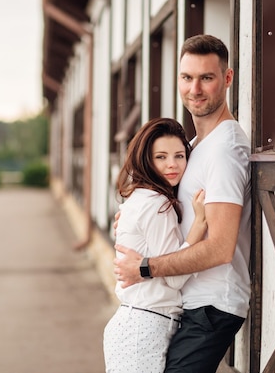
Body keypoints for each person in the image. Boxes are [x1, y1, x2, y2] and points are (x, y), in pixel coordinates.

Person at [114, 34, 251, 373]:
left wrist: (145, 267)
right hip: (185, 301)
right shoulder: (194, 145)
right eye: (187, 77)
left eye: (207, 77)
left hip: (212, 304)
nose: (195, 89)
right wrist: (134, 219)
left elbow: (219, 248)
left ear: (228, 78)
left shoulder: (224, 150)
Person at [103, 117, 208, 373]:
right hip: (144, 326)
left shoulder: (142, 197)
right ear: (146, 160)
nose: (172, 165)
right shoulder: (156, 204)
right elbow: (173, 278)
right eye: (161, 157)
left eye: (179, 156)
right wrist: (199, 225)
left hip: (140, 323)